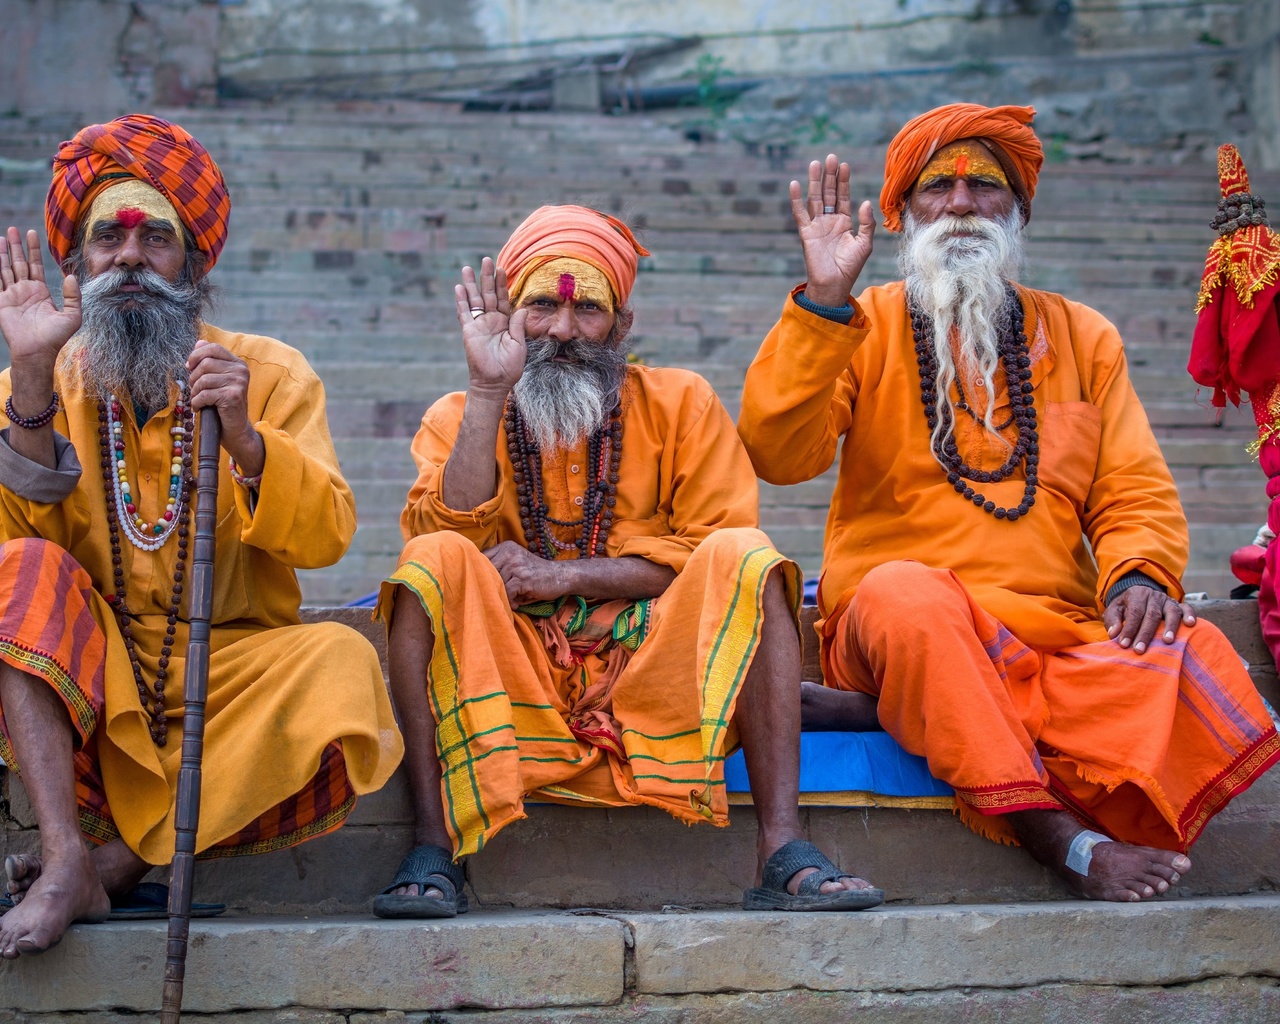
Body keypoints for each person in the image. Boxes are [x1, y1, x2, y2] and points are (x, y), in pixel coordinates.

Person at [738, 103, 1280, 903]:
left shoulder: (1084, 335)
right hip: (899, 621)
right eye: (938, 189)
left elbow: (1133, 487)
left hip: (1047, 636)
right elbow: (778, 454)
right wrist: (822, 303)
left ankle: (903, 713)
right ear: (904, 212)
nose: (960, 204)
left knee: (1186, 653)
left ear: (1017, 209)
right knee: (908, 596)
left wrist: (1136, 574)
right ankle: (1063, 841)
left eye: (983, 188)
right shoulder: (863, 326)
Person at [373, 204, 880, 917]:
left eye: (588, 312)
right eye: (541, 306)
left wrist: (568, 575)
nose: (562, 331)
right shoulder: (461, 414)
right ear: (511, 317)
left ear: (622, 327)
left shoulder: (682, 404)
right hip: (519, 664)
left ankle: (780, 848)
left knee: (751, 555)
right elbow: (445, 534)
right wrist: (489, 391)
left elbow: (714, 543)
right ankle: (434, 845)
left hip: (657, 667)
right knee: (428, 562)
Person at [0, 114, 401, 958]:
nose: (130, 258)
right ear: (76, 263)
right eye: (108, 238)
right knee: (21, 570)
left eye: (157, 239)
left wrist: (247, 437)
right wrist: (32, 382)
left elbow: (329, 533)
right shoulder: (32, 379)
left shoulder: (269, 372)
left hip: (227, 673)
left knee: (344, 668)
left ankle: (109, 867)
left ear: (198, 266)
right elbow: (14, 564)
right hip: (91, 672)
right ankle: (66, 857)